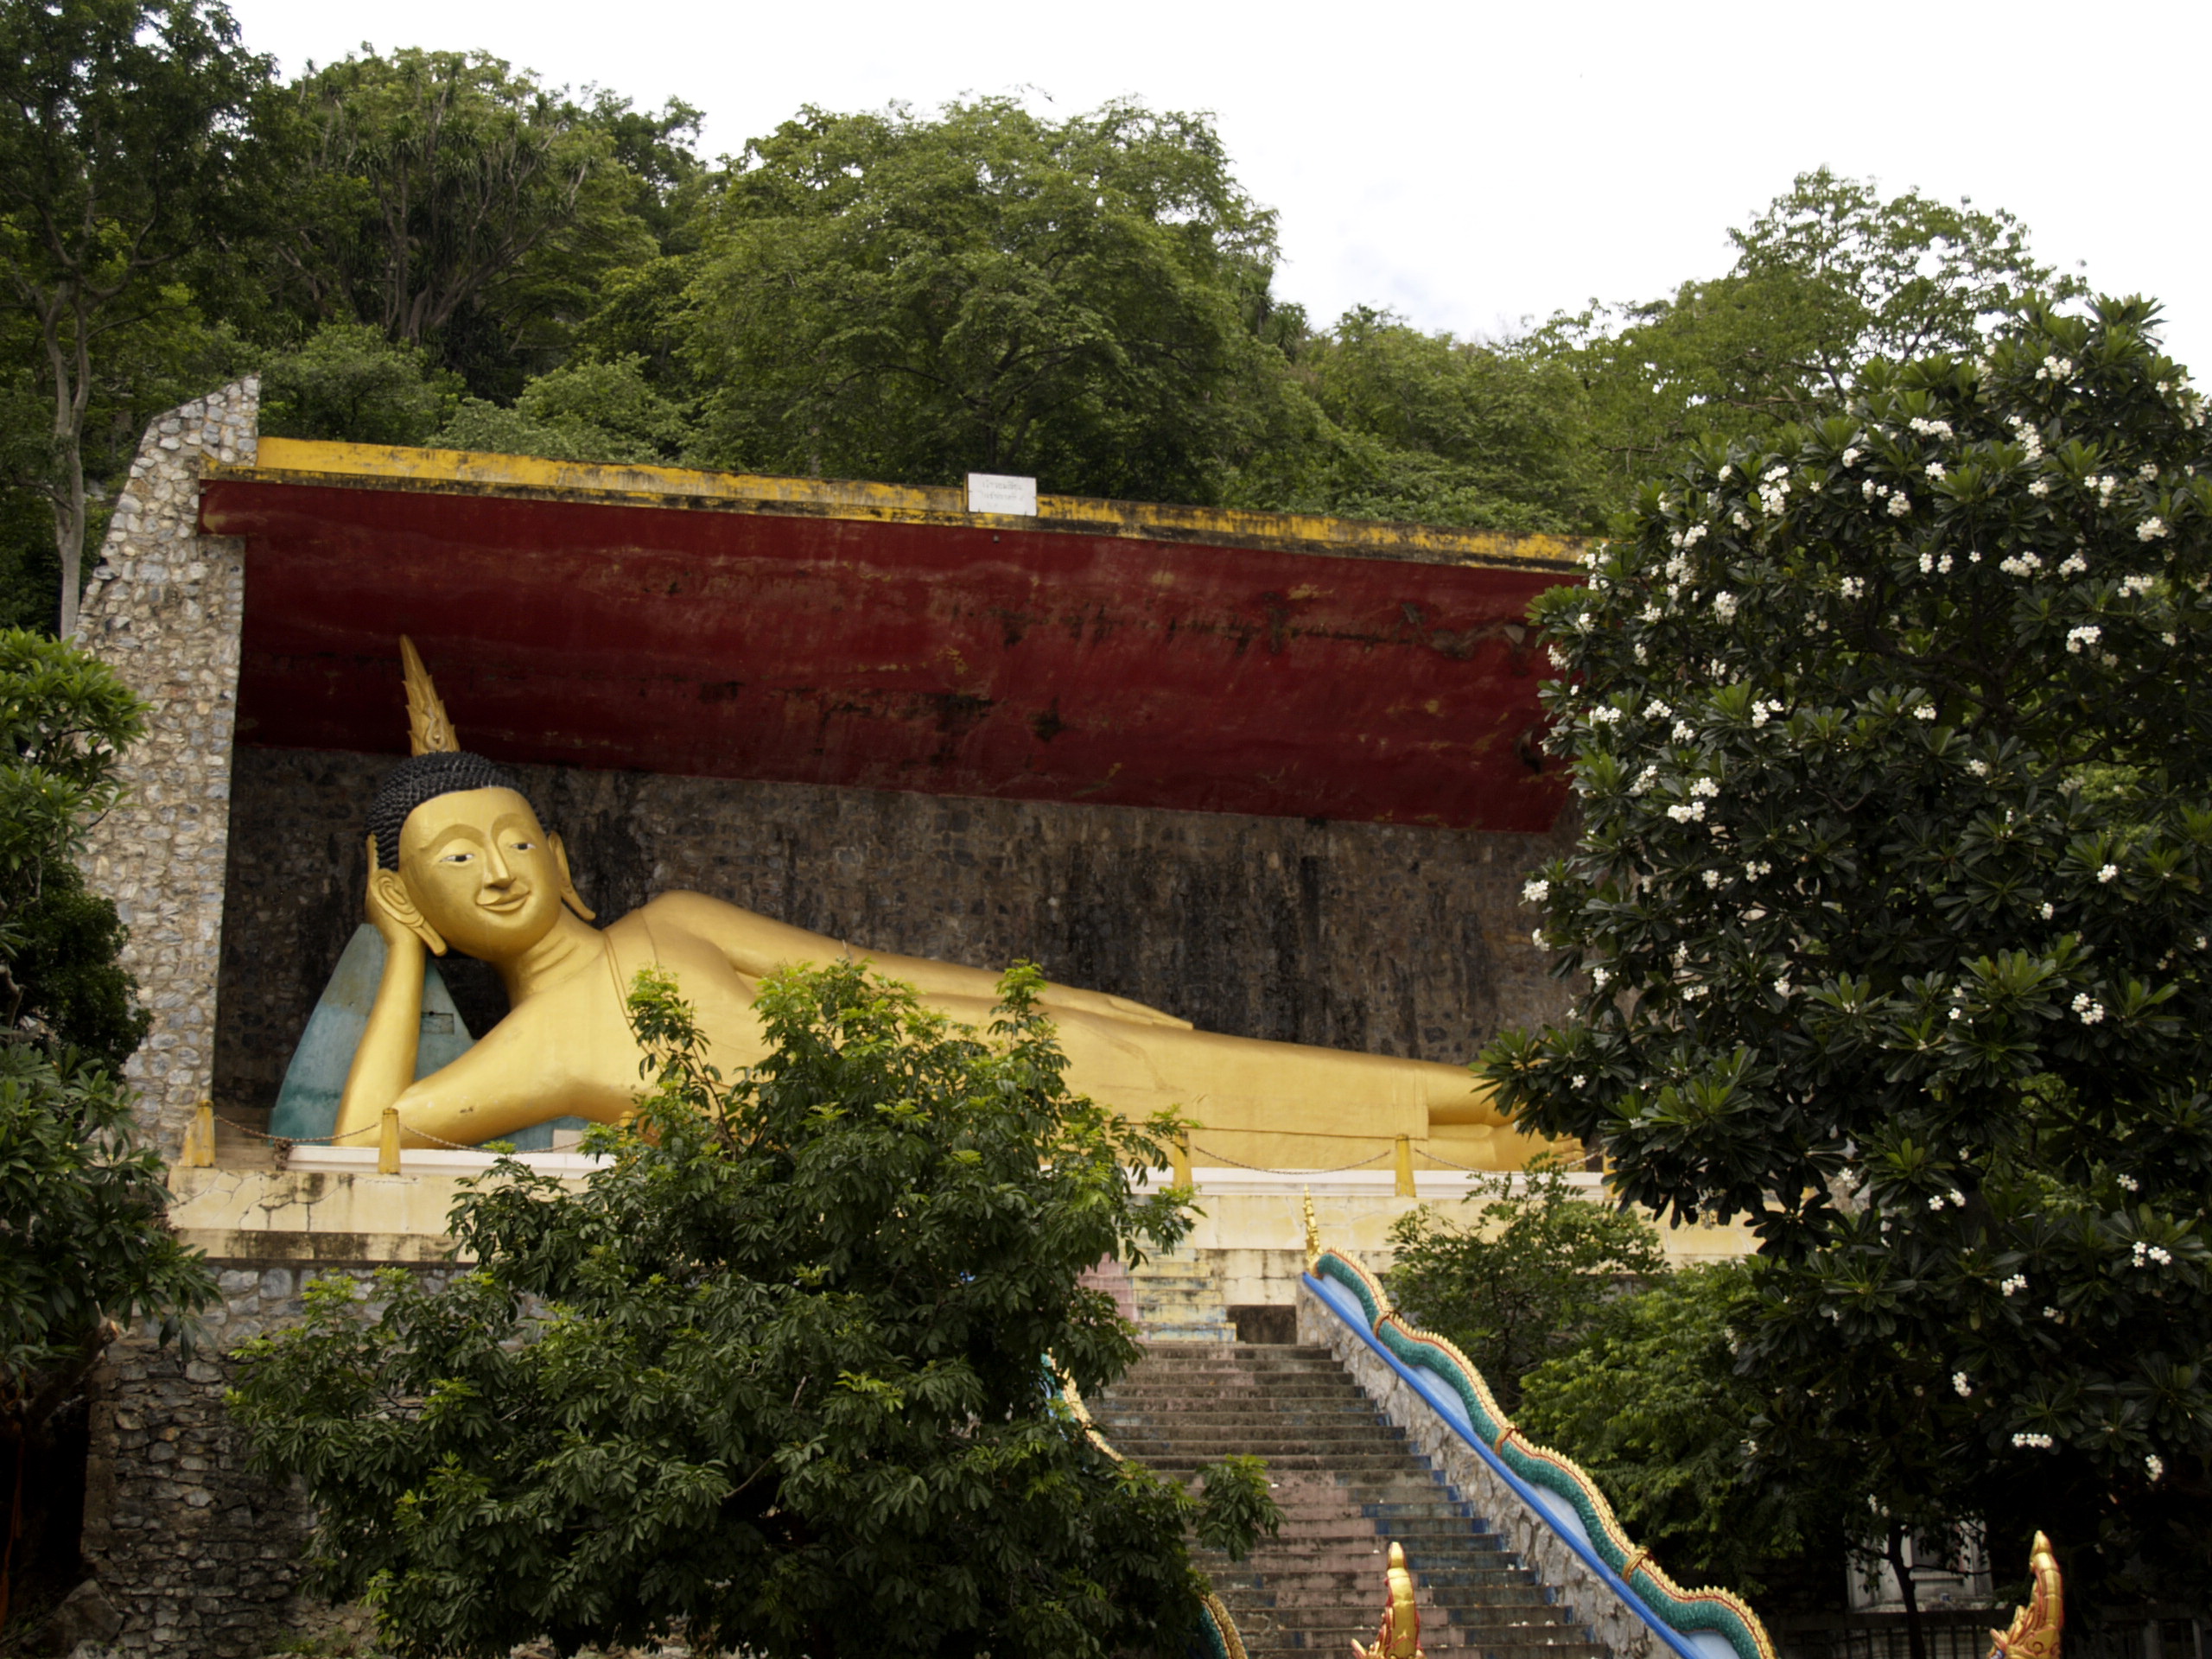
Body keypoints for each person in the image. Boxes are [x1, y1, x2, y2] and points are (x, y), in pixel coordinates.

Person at [334, 644, 1541, 1168]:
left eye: (512, 836)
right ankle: (1521, 1148)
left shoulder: (669, 923)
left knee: (1249, 1074)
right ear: (412, 892)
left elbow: (873, 976)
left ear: (558, 849)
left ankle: (1547, 1115)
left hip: (992, 1059)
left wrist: (1065, 1000)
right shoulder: (536, 1049)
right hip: (931, 1145)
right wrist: (399, 953)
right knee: (1259, 1139)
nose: (497, 867)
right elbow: (364, 1138)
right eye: (451, 860)